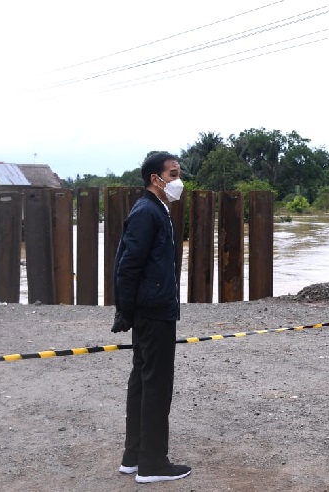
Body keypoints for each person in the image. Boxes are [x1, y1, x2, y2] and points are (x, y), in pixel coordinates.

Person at [112, 151, 191, 484]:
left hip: (152, 308)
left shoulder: (157, 210)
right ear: (155, 179)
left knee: (143, 382)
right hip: (153, 312)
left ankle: (134, 457)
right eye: (172, 174)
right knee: (156, 385)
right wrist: (126, 311)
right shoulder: (148, 211)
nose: (178, 180)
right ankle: (153, 463)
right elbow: (127, 265)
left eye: (178, 173)